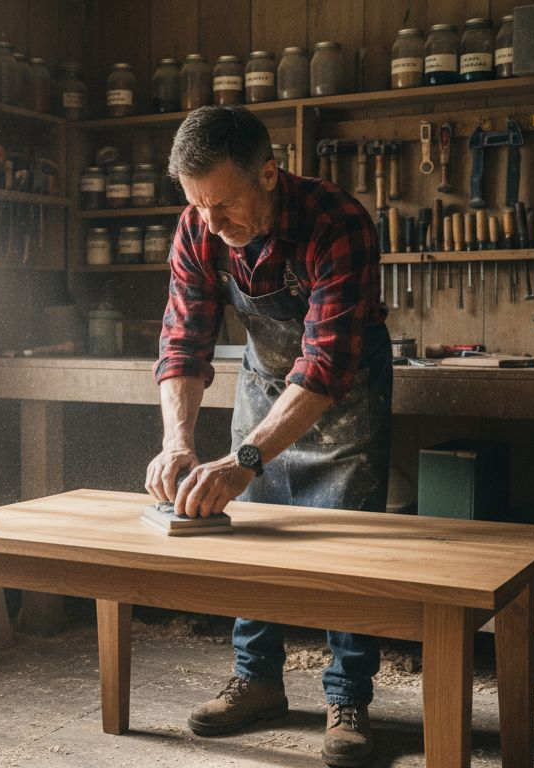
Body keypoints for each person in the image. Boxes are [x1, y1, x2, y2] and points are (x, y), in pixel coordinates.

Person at [145, 105, 392, 768]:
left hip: (342, 390)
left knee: (346, 539)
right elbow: (183, 340)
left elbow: (325, 365)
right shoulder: (199, 228)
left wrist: (245, 457)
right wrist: (178, 441)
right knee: (249, 523)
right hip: (263, 379)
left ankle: (349, 698)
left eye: (224, 206)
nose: (210, 224)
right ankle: (257, 680)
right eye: (196, 207)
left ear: (271, 176)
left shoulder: (337, 222)